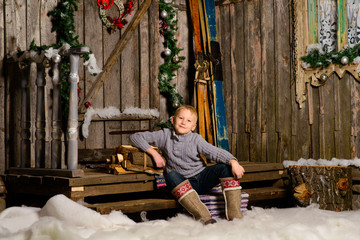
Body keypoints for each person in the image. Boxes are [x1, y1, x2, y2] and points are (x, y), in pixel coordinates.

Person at [130, 105, 245, 224]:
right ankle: (204, 217)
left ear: (193, 126)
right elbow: (135, 137)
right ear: (173, 120)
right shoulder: (164, 135)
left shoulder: (196, 139)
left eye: (188, 121)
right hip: (183, 183)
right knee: (170, 175)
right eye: (181, 118)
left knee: (225, 168)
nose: (184, 122)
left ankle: (235, 216)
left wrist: (233, 161)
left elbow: (215, 152)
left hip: (202, 178)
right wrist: (154, 153)